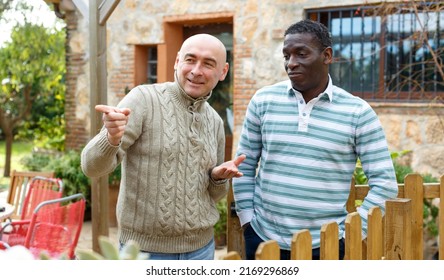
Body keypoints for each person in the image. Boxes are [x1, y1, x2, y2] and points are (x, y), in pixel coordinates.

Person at [232, 19, 398, 260]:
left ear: (327, 55)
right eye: (286, 55)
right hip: (263, 240)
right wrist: (248, 221)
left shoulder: (358, 112)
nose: (291, 63)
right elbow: (243, 164)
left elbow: (385, 184)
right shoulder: (263, 101)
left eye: (301, 54)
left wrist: (348, 236)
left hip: (327, 247)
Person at [81, 34, 246, 260]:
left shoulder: (215, 121)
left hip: (202, 251)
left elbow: (215, 195)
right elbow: (91, 167)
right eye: (190, 60)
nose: (196, 71)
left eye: (208, 64)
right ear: (177, 61)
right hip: (145, 253)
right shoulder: (143, 100)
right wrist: (110, 138)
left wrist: (217, 178)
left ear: (223, 71)